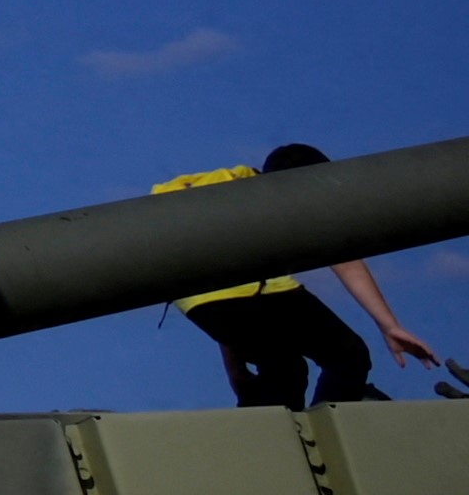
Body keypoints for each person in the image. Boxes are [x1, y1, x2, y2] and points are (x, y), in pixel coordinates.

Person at [154, 144, 449, 410]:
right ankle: (306, 439)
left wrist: (235, 369)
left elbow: (219, 294)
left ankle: (292, 435)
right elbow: (344, 260)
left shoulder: (228, 188)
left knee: (291, 365)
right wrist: (389, 325)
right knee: (338, 357)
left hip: (208, 299)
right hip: (249, 294)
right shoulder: (295, 197)